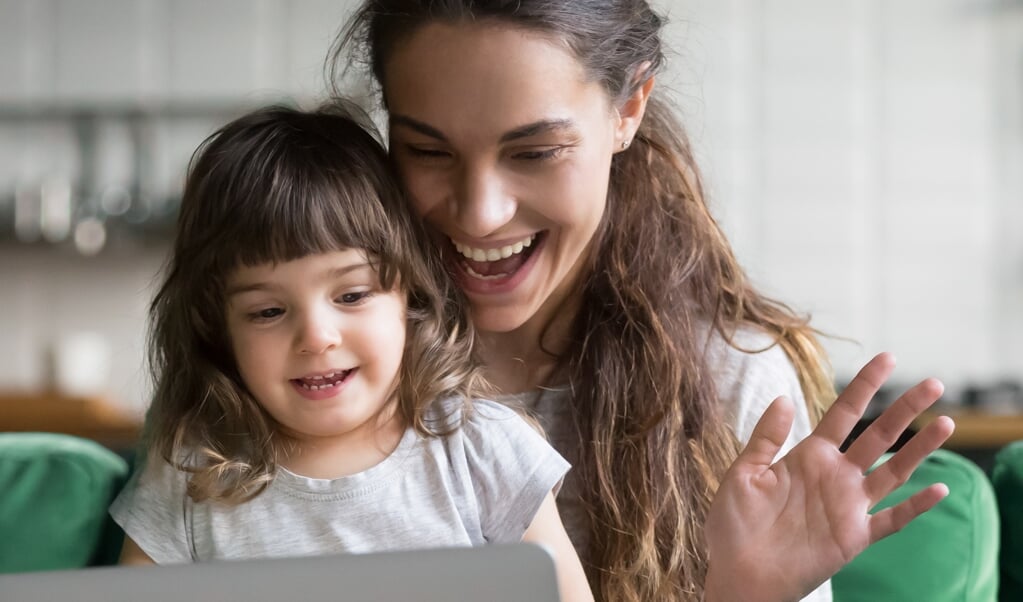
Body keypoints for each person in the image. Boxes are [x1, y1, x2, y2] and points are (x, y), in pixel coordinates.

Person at [328, 1, 956, 600]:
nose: (480, 213)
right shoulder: (316, 364)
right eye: (428, 151)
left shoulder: (730, 379)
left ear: (628, 108)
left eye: (536, 152)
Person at [109, 103, 593, 602]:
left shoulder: (481, 450)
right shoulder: (194, 472)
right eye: (268, 312)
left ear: (409, 292)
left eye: (352, 296)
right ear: (218, 328)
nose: (317, 337)